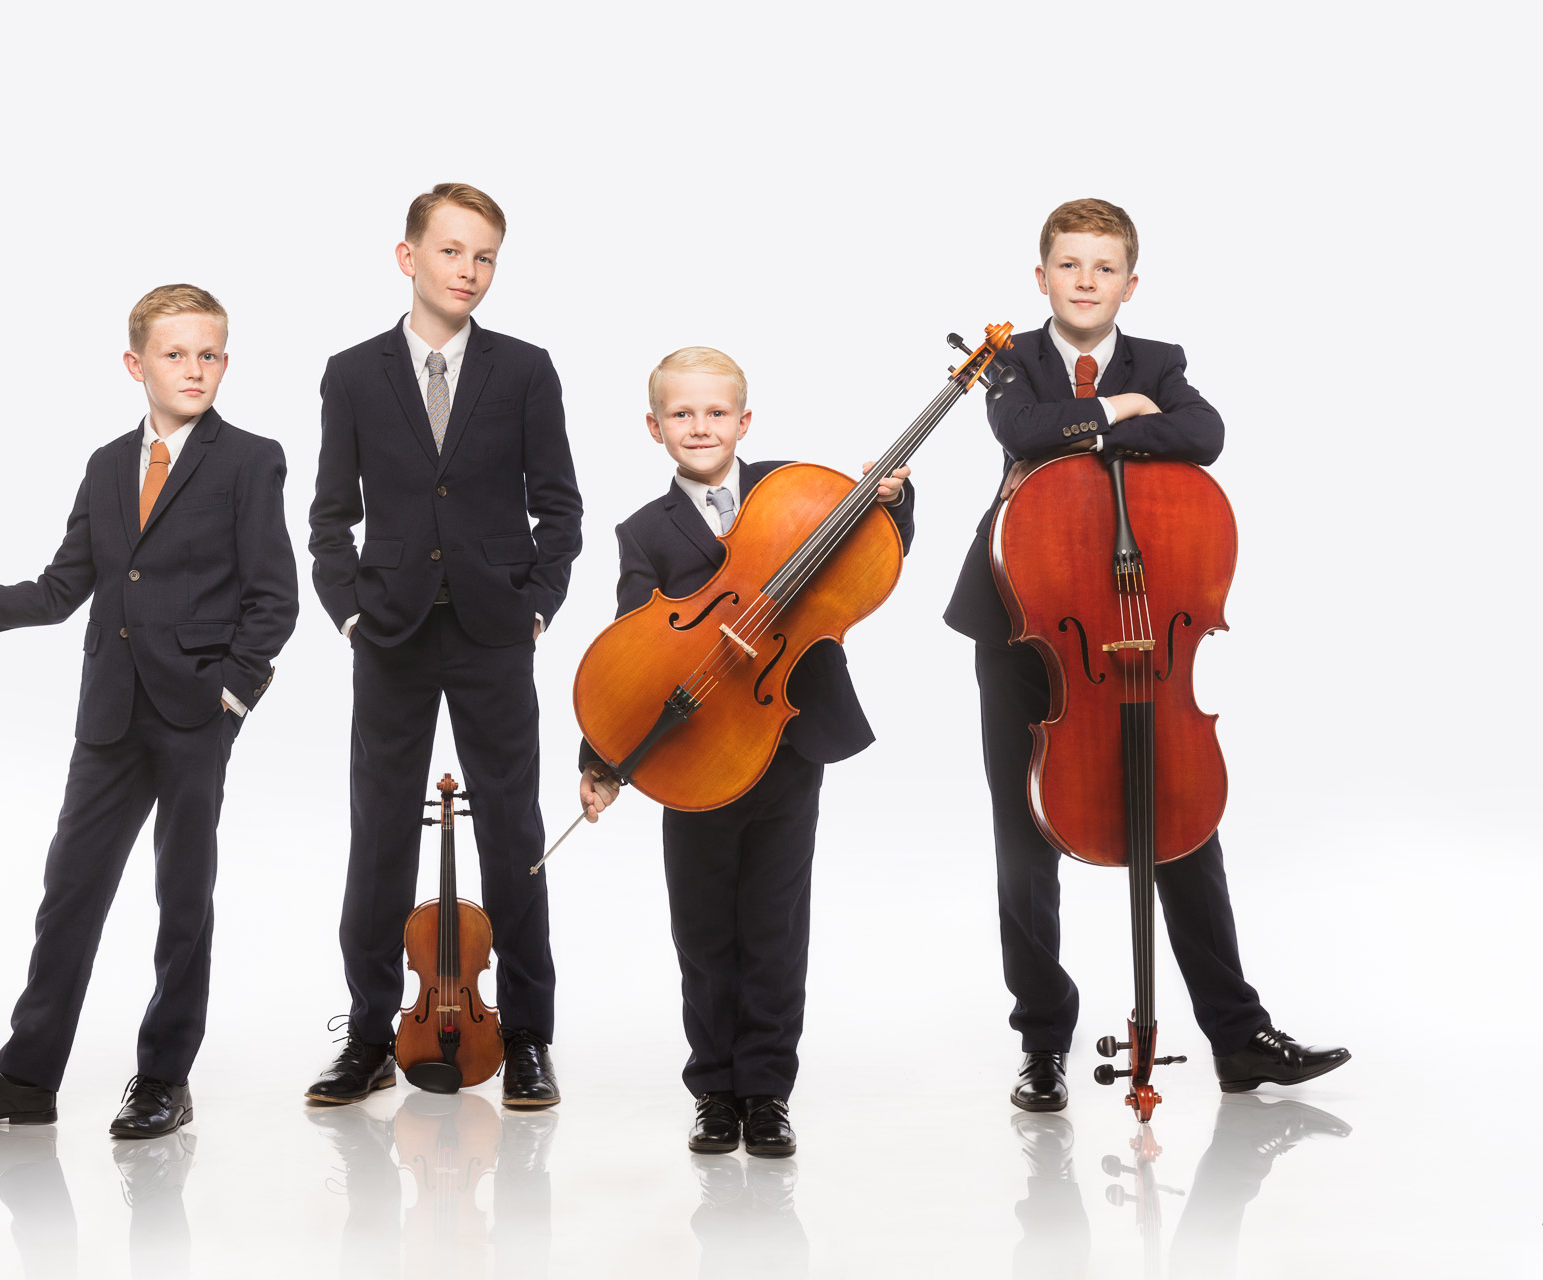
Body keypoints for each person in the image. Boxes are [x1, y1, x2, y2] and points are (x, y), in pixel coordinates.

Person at [942, 198, 1348, 1111]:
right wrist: (1118, 410)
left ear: (1130, 282)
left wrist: (1096, 414)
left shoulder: (1160, 363)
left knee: (1181, 821)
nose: (1086, 281)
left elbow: (1201, 435)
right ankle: (1042, 1043)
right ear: (1040, 276)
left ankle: (1239, 1037)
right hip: (1024, 625)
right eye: (1069, 265)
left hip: (1133, 627)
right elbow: (1020, 433)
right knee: (1025, 837)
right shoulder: (1009, 361)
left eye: (1105, 267)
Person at [0, 284, 298, 1137]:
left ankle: (163, 1076)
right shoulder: (102, 466)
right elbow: (59, 591)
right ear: (136, 365)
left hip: (197, 713)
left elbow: (274, 600)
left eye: (210, 355)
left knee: (181, 897)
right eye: (175, 354)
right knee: (70, 894)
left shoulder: (250, 460)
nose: (194, 369)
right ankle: (25, 1077)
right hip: (110, 715)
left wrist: (230, 697)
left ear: (225, 362)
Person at [579, 347, 912, 1156]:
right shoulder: (644, 532)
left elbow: (862, 561)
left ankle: (766, 1092)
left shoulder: (793, 492)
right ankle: (714, 1091)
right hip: (691, 751)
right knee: (701, 930)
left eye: (716, 413)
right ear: (655, 428)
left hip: (786, 732)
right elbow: (633, 654)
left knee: (774, 923)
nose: (701, 427)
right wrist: (601, 760)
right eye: (683, 415)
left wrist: (892, 503)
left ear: (745, 421)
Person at [305, 183, 582, 1108]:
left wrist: (537, 606)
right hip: (388, 633)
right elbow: (330, 519)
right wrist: (348, 614)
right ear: (408, 256)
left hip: (496, 633)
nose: (469, 271)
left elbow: (560, 507)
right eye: (453, 251)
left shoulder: (525, 369)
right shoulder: (351, 373)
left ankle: (531, 1037)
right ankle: (371, 1036)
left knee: (515, 837)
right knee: (378, 837)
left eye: (486, 257)